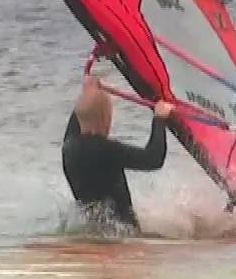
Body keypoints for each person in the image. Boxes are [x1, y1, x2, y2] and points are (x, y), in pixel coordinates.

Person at [61, 74, 173, 234]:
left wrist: (88, 91)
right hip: (123, 232)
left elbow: (83, 112)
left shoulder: (69, 146)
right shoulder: (106, 150)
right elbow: (153, 159)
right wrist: (159, 118)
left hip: (93, 227)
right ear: (106, 118)